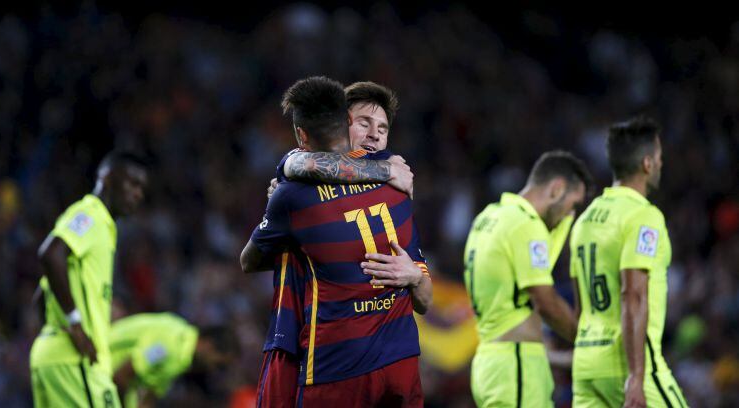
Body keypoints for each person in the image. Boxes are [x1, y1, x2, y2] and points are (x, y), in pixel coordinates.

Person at [241, 76, 431, 407]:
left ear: (301, 134)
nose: (373, 134)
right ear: (345, 124)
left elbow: (249, 261)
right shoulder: (397, 180)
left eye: (382, 128)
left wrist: (415, 276)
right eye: (364, 123)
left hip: (329, 361)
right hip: (401, 362)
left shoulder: (293, 192)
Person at [570, 116, 688, 407]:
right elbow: (633, 294)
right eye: (659, 157)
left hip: (587, 367)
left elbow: (580, 306)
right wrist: (636, 376)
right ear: (647, 164)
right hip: (628, 364)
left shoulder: (584, 221)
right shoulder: (643, 216)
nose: (661, 163)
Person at [463, 150, 592, 407]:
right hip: (516, 366)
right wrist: (588, 341)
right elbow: (546, 302)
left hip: (490, 362)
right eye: (574, 204)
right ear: (556, 190)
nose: (571, 214)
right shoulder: (525, 224)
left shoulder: (489, 217)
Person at [30, 151, 148, 408]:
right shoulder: (92, 214)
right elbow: (50, 254)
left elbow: (41, 296)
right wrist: (74, 325)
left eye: (142, 188)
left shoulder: (104, 227)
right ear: (106, 178)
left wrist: (52, 337)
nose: (138, 193)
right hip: (76, 362)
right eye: (132, 183)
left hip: (52, 358)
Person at [110, 313, 230, 408]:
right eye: (220, 365)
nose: (213, 370)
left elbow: (150, 395)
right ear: (209, 345)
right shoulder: (172, 343)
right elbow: (121, 375)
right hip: (99, 365)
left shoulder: (183, 358)